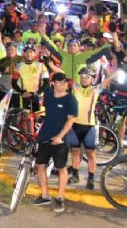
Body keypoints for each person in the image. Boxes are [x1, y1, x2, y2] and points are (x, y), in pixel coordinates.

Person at [32, 73, 77, 213]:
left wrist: (60, 136)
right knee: (40, 166)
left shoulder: (71, 99)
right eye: (60, 81)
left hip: (61, 139)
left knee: (61, 168)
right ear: (53, 83)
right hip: (45, 135)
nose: (64, 84)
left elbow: (70, 120)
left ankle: (60, 198)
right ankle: (45, 195)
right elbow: (46, 112)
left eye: (65, 81)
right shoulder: (48, 95)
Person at [66, 66, 116, 190]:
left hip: (89, 126)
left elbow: (107, 80)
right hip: (75, 125)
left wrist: (119, 71)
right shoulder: (74, 87)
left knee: (91, 154)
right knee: (75, 152)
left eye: (87, 77)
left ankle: (91, 178)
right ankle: (75, 175)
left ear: (92, 79)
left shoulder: (96, 89)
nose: (84, 79)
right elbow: (62, 75)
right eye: (82, 77)